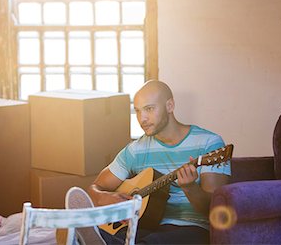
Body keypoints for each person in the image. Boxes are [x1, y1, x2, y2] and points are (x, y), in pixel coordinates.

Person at [86, 80, 230, 244]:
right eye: (138, 111)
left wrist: (190, 188)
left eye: (149, 109)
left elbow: (214, 208)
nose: (142, 118)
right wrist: (103, 198)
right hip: (144, 225)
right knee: (109, 235)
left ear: (170, 106)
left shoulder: (209, 143)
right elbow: (93, 189)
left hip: (190, 228)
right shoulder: (135, 150)